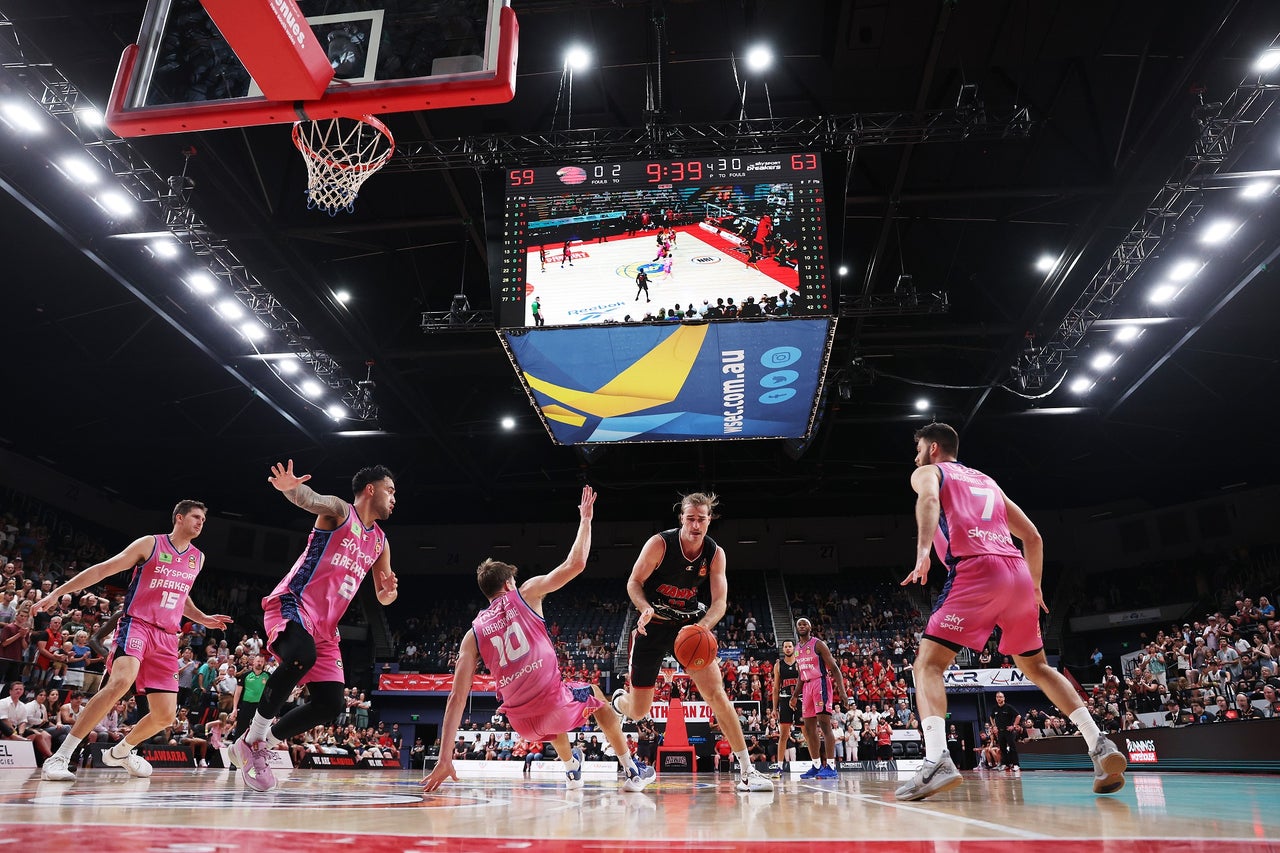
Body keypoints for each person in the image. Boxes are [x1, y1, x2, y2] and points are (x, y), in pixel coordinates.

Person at [895, 423, 1126, 801]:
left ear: (934, 448)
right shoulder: (987, 481)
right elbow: (1033, 537)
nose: (915, 455)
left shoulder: (928, 472)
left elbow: (930, 501)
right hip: (1016, 573)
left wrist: (921, 552)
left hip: (976, 570)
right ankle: (1099, 745)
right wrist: (1034, 586)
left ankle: (937, 759)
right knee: (1037, 668)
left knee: (928, 665)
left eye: (919, 448)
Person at [423, 487, 655, 794]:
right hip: (552, 706)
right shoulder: (526, 593)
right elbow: (576, 565)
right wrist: (586, 519)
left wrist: (444, 756)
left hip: (521, 725)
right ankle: (632, 771)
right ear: (509, 583)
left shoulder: (473, 633)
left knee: (555, 700)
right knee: (595, 693)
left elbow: (456, 698)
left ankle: (572, 770)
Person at [227, 461, 400, 793]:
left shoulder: (380, 542)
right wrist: (291, 489)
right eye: (390, 491)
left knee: (331, 703)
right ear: (371, 489)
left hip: (327, 628)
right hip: (293, 604)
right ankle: (254, 736)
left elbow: (382, 595)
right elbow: (311, 499)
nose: (394, 498)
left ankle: (259, 742)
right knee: (300, 655)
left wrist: (389, 593)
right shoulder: (339, 512)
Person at [35, 500, 231, 781]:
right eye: (196, 517)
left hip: (166, 638)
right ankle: (61, 756)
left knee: (164, 716)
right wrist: (57, 593)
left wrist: (202, 617)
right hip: (137, 625)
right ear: (178, 518)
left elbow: (181, 593)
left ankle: (121, 752)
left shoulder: (197, 558)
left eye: (203, 519)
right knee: (120, 682)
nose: (201, 523)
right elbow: (103, 569)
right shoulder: (150, 544)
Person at [609, 492, 774, 792]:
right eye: (690, 518)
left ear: (710, 520)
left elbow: (720, 602)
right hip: (652, 625)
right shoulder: (660, 544)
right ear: (681, 518)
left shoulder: (715, 554)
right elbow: (633, 582)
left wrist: (701, 628)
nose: (696, 525)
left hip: (688, 625)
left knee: (717, 694)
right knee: (638, 711)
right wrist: (644, 607)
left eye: (702, 519)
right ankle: (619, 701)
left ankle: (748, 771)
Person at [792, 618, 848, 779]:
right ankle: (816, 765)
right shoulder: (797, 649)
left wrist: (842, 692)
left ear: (810, 627)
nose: (802, 626)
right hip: (807, 687)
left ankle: (831, 766)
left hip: (820, 683)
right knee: (809, 730)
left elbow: (835, 668)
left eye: (805, 624)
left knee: (824, 726)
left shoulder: (818, 644)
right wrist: (795, 695)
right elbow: (801, 676)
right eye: (799, 624)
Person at [770, 639, 800, 771]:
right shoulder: (778, 665)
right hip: (784, 699)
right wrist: (774, 708)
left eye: (790, 646)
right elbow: (776, 688)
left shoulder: (800, 662)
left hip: (801, 699)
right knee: (783, 735)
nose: (788, 648)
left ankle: (815, 765)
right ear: (783, 649)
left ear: (794, 648)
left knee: (808, 733)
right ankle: (779, 766)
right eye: (786, 647)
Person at [989, 691, 1021, 773]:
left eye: (1000, 697)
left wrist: (1013, 726)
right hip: (1000, 731)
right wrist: (994, 726)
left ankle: (1016, 764)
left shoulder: (1008, 707)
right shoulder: (995, 708)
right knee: (1002, 748)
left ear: (1004, 698)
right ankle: (1005, 764)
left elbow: (1018, 716)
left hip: (1008, 731)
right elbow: (991, 717)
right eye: (997, 697)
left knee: (1012, 748)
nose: (998, 698)